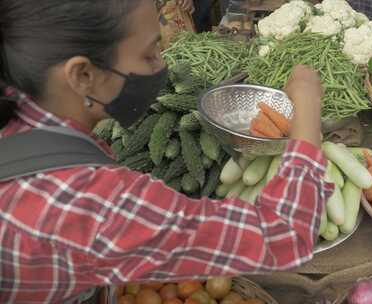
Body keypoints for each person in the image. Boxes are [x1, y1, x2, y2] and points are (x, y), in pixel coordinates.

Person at [0, 0, 331, 303]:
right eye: (149, 54)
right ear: (82, 75)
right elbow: (283, 235)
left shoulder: (17, 103)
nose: (162, 65)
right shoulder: (96, 204)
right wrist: (305, 110)